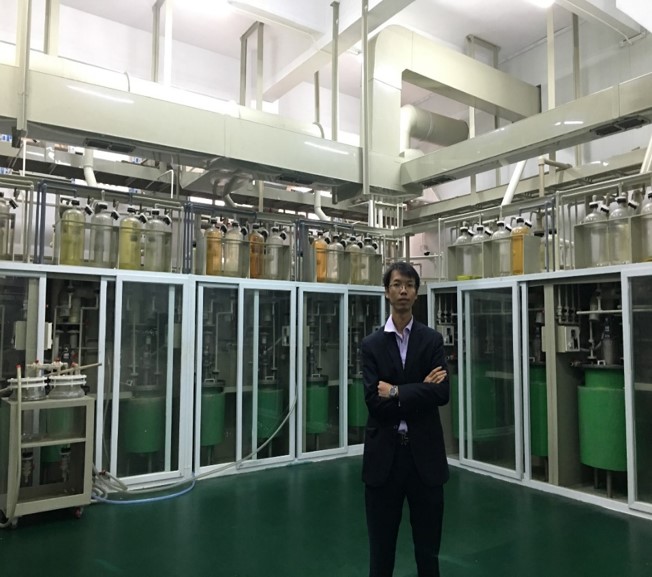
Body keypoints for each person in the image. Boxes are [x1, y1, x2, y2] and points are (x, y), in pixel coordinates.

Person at [360, 261, 449, 577]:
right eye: (397, 284)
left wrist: (396, 391)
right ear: (387, 292)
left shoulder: (432, 340)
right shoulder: (371, 345)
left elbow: (442, 393)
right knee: (381, 552)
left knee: (428, 552)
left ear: (416, 293)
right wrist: (420, 390)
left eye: (409, 285)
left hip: (425, 458)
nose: (403, 291)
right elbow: (374, 403)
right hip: (385, 459)